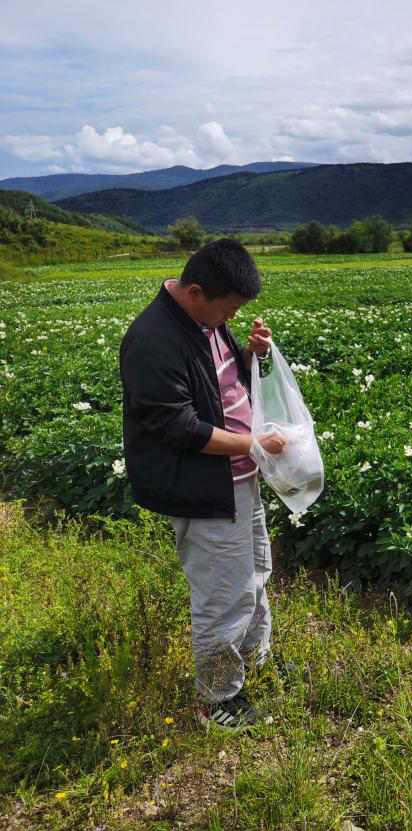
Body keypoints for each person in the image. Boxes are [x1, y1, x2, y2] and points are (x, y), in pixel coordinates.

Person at [119, 238, 285, 732]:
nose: (232, 317)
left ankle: (255, 662)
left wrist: (251, 356)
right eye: (229, 309)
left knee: (256, 574)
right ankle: (217, 699)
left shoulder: (205, 321)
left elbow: (223, 384)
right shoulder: (153, 338)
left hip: (240, 477)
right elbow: (179, 427)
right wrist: (252, 444)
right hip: (205, 487)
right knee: (223, 595)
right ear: (195, 292)